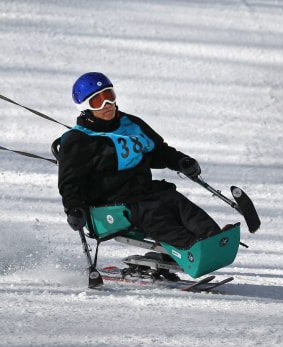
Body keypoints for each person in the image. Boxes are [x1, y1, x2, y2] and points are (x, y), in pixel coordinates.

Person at [56, 72, 226, 250]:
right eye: (98, 101)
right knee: (153, 212)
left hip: (143, 191)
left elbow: (157, 150)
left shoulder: (130, 123)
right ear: (85, 107)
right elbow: (70, 182)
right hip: (111, 204)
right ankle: (191, 248)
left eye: (109, 96)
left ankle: (212, 236)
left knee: (174, 200)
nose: (108, 104)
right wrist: (74, 208)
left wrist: (180, 161)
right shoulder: (78, 140)